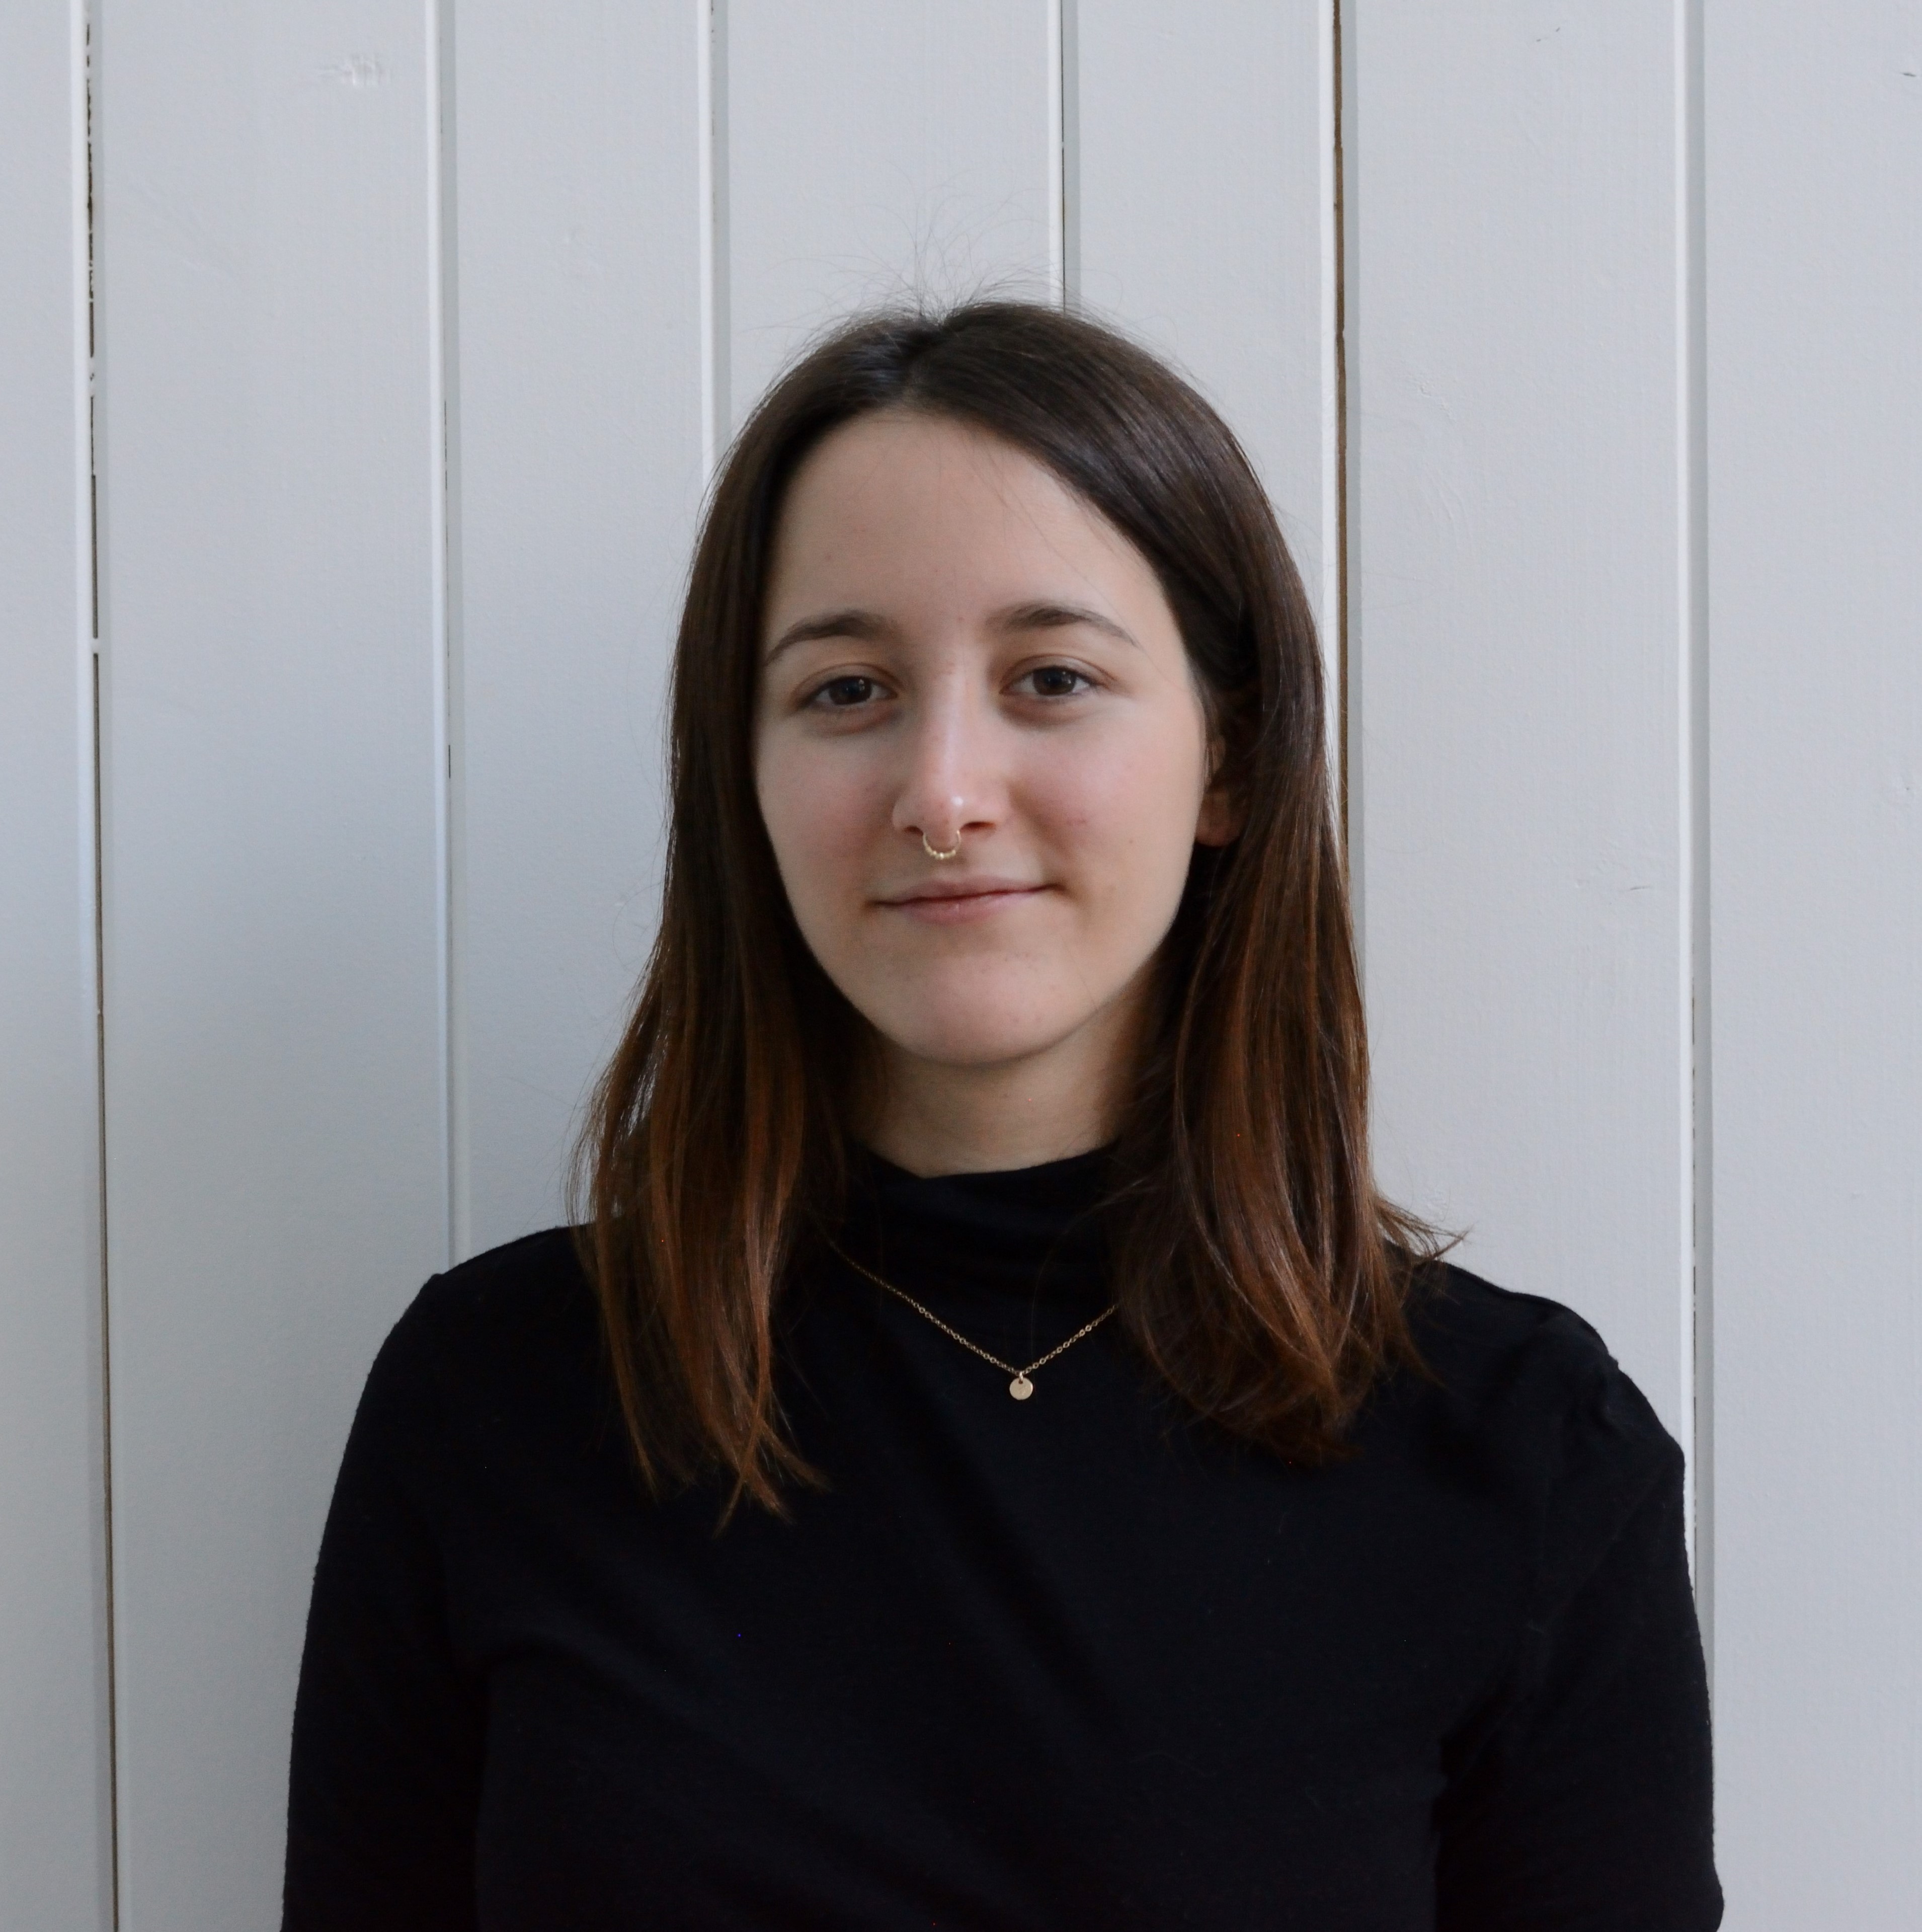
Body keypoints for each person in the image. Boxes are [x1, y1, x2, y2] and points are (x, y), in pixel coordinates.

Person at [282, 300, 1721, 1930]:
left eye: (1049, 678)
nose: (943, 791)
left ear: (1229, 763)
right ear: (740, 776)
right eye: (845, 690)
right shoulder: (498, 1398)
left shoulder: (1519, 1452)